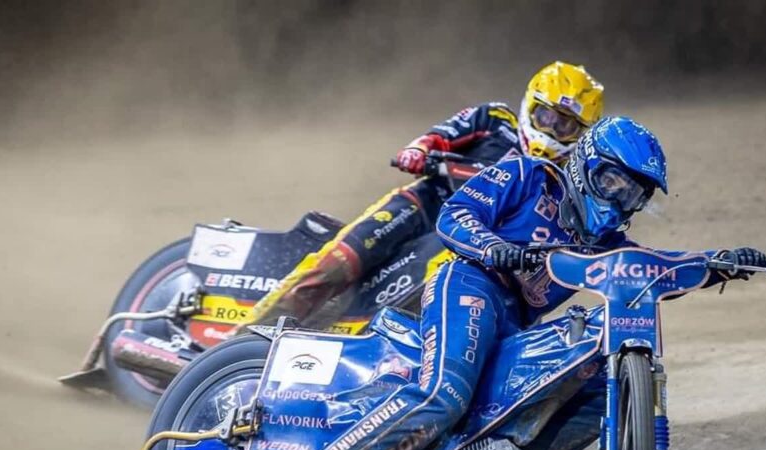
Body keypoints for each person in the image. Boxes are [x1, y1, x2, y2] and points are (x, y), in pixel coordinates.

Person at [293, 116, 766, 450]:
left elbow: (650, 269)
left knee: (588, 393)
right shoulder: (527, 175)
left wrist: (716, 263)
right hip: (469, 284)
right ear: (585, 164)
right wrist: (493, 248)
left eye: (634, 195)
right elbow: (455, 215)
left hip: (514, 321)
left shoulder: (605, 246)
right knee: (446, 395)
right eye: (612, 183)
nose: (619, 201)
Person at [236, 62, 605, 331]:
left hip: (473, 239)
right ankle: (244, 340)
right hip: (423, 204)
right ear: (529, 105)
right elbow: (437, 136)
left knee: (446, 292)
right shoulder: (494, 119)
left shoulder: (567, 178)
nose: (551, 129)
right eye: (545, 116)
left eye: (565, 124)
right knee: (338, 262)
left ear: (581, 132)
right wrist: (419, 150)